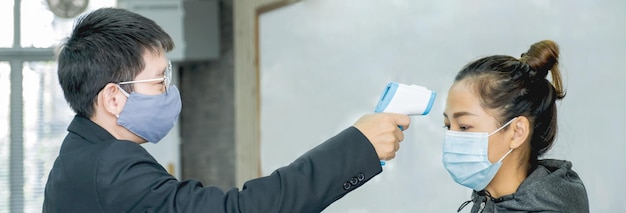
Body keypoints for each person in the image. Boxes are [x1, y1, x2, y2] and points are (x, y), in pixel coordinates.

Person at [43, 8, 410, 213]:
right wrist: (358, 146)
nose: (169, 92)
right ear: (113, 98)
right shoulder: (113, 166)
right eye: (158, 82)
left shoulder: (79, 156)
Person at [442, 40, 589, 212]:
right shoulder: (489, 201)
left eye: (464, 127)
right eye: (447, 126)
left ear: (517, 132)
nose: (451, 138)